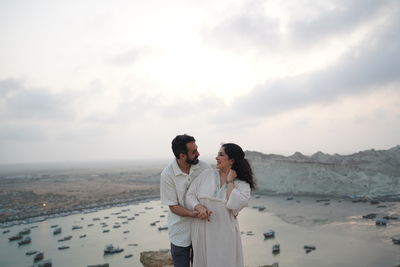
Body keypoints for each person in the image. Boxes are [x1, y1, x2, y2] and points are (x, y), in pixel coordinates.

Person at [186, 143, 256, 267]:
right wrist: (198, 206)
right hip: (202, 232)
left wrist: (230, 180)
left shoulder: (242, 184)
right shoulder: (206, 175)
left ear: (231, 160)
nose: (216, 157)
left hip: (224, 235)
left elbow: (233, 206)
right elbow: (189, 196)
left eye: (221, 155)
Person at [160, 134, 211, 267]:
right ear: (182, 156)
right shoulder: (167, 174)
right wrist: (192, 214)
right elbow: (173, 206)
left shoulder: (205, 168)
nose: (198, 153)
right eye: (194, 152)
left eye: (197, 149)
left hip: (201, 230)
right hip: (179, 233)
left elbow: (214, 194)